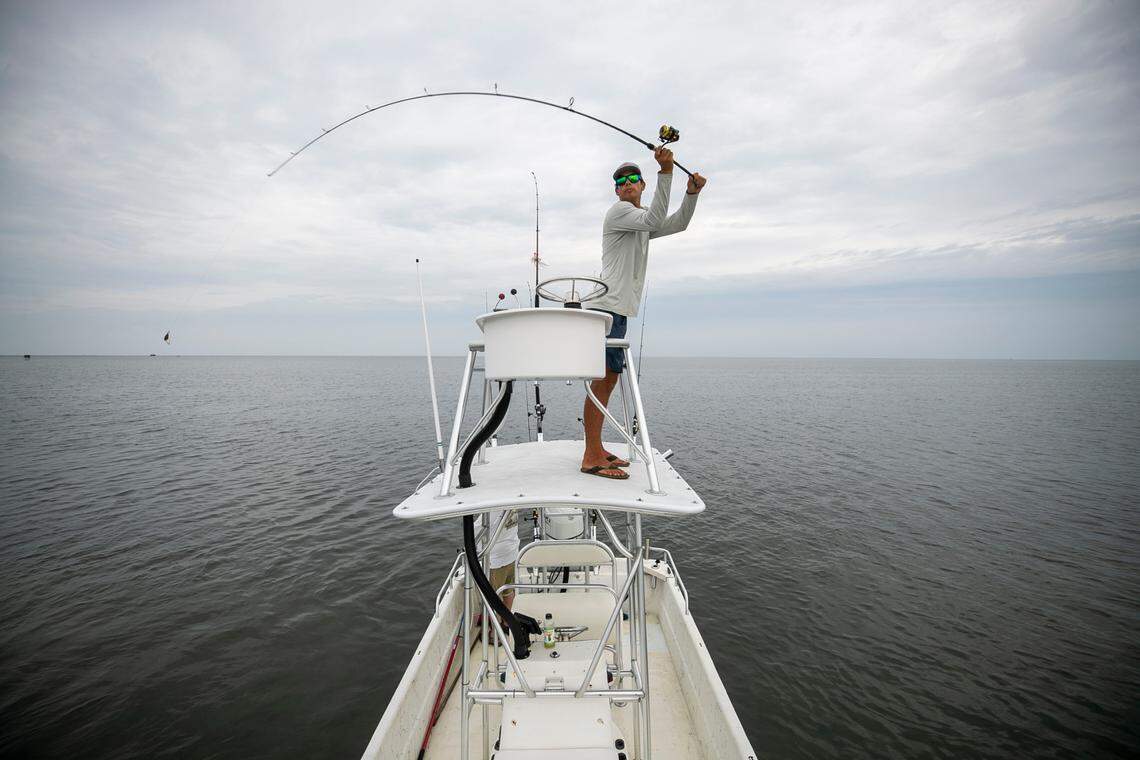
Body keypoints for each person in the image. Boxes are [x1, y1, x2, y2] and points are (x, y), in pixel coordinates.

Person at [581, 146, 706, 479]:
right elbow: (653, 218)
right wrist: (667, 172)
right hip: (606, 309)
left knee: (607, 382)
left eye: (633, 179)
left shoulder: (638, 220)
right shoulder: (620, 212)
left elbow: (676, 223)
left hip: (616, 309)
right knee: (602, 382)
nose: (627, 184)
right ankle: (591, 455)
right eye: (620, 181)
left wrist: (690, 193)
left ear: (642, 185)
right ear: (616, 190)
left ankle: (596, 449)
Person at [475, 509, 520, 609]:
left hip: (496, 561)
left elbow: (475, 531)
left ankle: (496, 622)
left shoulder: (492, 510)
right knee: (508, 591)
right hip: (512, 554)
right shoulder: (513, 505)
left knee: (492, 597)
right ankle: (507, 622)